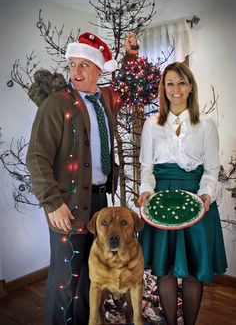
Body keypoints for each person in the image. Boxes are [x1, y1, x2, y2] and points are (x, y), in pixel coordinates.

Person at [26, 32, 139, 325]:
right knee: (66, 282)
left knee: (91, 281)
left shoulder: (105, 99)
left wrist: (130, 57)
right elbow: (37, 157)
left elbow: (128, 87)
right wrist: (52, 203)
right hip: (68, 204)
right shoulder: (56, 104)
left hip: (101, 205)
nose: (75, 72)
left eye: (84, 65)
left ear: (99, 69)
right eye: (72, 64)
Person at [137, 62, 227, 325]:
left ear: (190, 87)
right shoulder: (151, 125)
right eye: (170, 83)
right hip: (159, 200)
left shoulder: (206, 125)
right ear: (163, 89)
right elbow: (146, 168)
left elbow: (211, 169)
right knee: (164, 272)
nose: (175, 89)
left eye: (181, 83)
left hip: (196, 199)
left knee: (192, 274)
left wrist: (206, 194)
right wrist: (145, 191)